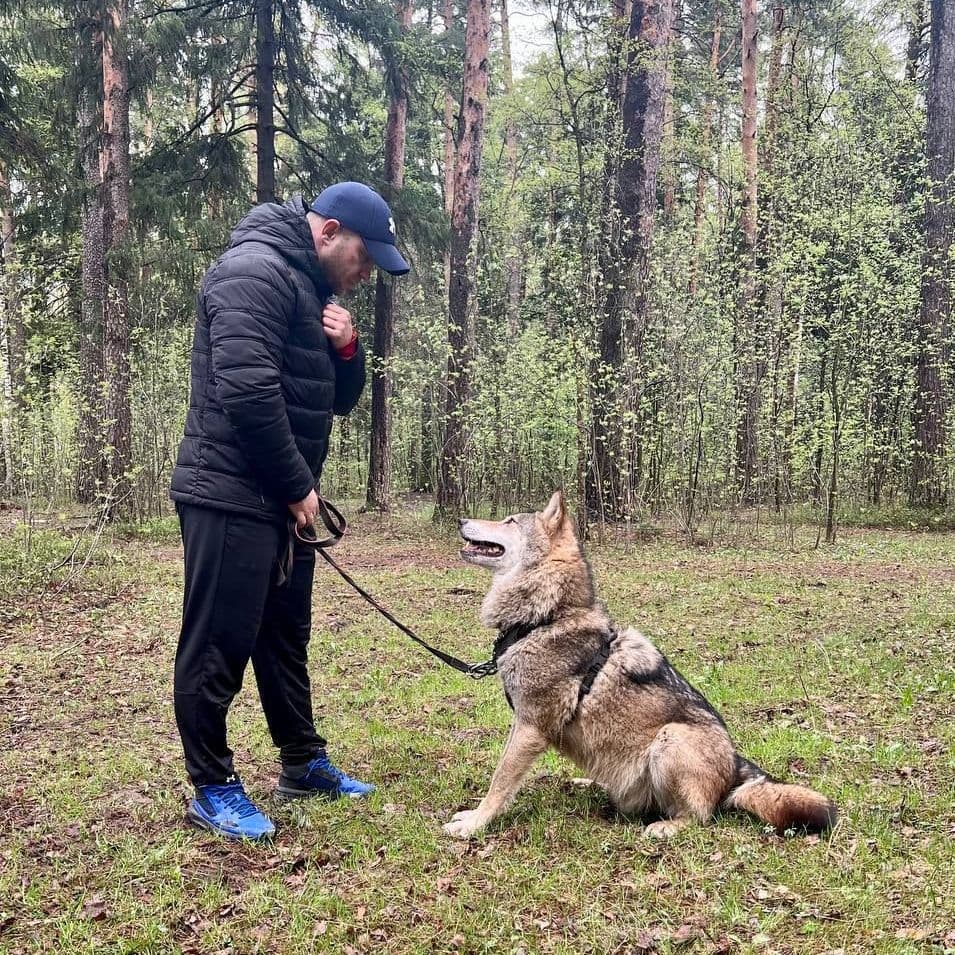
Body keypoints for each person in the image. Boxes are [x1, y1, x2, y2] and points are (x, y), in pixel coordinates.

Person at [169, 182, 410, 840]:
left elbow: (334, 401)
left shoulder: (311, 291)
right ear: (328, 231)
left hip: (280, 499)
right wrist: (297, 484)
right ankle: (212, 785)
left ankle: (302, 762)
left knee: (283, 639)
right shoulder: (253, 272)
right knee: (218, 643)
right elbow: (246, 392)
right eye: (365, 256)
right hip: (229, 494)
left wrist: (348, 350)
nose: (367, 271)